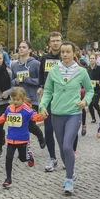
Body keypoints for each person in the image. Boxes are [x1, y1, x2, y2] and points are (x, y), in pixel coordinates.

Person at [39, 41, 93, 195]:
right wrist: (43, 106)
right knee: (62, 147)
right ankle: (72, 172)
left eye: (68, 52)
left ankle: (69, 178)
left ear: (74, 53)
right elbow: (48, 91)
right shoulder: (54, 71)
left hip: (74, 113)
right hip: (57, 113)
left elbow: (90, 90)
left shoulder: (81, 72)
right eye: (63, 52)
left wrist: (86, 101)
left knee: (68, 146)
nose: (65, 54)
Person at [0, 87, 45, 188]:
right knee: (8, 158)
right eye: (13, 99)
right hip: (11, 139)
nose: (15, 102)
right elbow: (3, 118)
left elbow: (34, 117)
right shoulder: (9, 108)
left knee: (22, 158)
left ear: (22, 99)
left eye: (17, 100)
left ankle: (29, 156)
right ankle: (8, 179)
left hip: (22, 139)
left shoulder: (26, 109)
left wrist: (43, 116)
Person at [10, 40, 45, 149]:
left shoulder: (35, 64)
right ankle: (24, 145)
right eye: (20, 47)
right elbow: (11, 81)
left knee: (30, 125)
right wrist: (16, 81)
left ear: (29, 50)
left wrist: (27, 79)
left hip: (32, 98)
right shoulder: (14, 65)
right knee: (20, 124)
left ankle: (40, 136)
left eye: (24, 47)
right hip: (18, 100)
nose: (20, 49)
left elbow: (40, 81)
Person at [38, 32, 62, 172]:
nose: (55, 43)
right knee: (48, 129)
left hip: (63, 97)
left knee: (64, 131)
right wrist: (41, 87)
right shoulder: (45, 58)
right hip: (49, 96)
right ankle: (52, 157)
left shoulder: (65, 56)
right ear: (49, 43)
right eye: (53, 41)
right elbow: (41, 75)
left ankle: (66, 155)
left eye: (58, 40)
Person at [86, 53, 100, 123]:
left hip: (97, 88)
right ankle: (93, 118)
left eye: (93, 58)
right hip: (89, 88)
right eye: (90, 58)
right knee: (90, 104)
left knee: (95, 103)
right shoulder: (87, 68)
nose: (91, 60)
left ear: (95, 60)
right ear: (89, 60)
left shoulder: (99, 68)